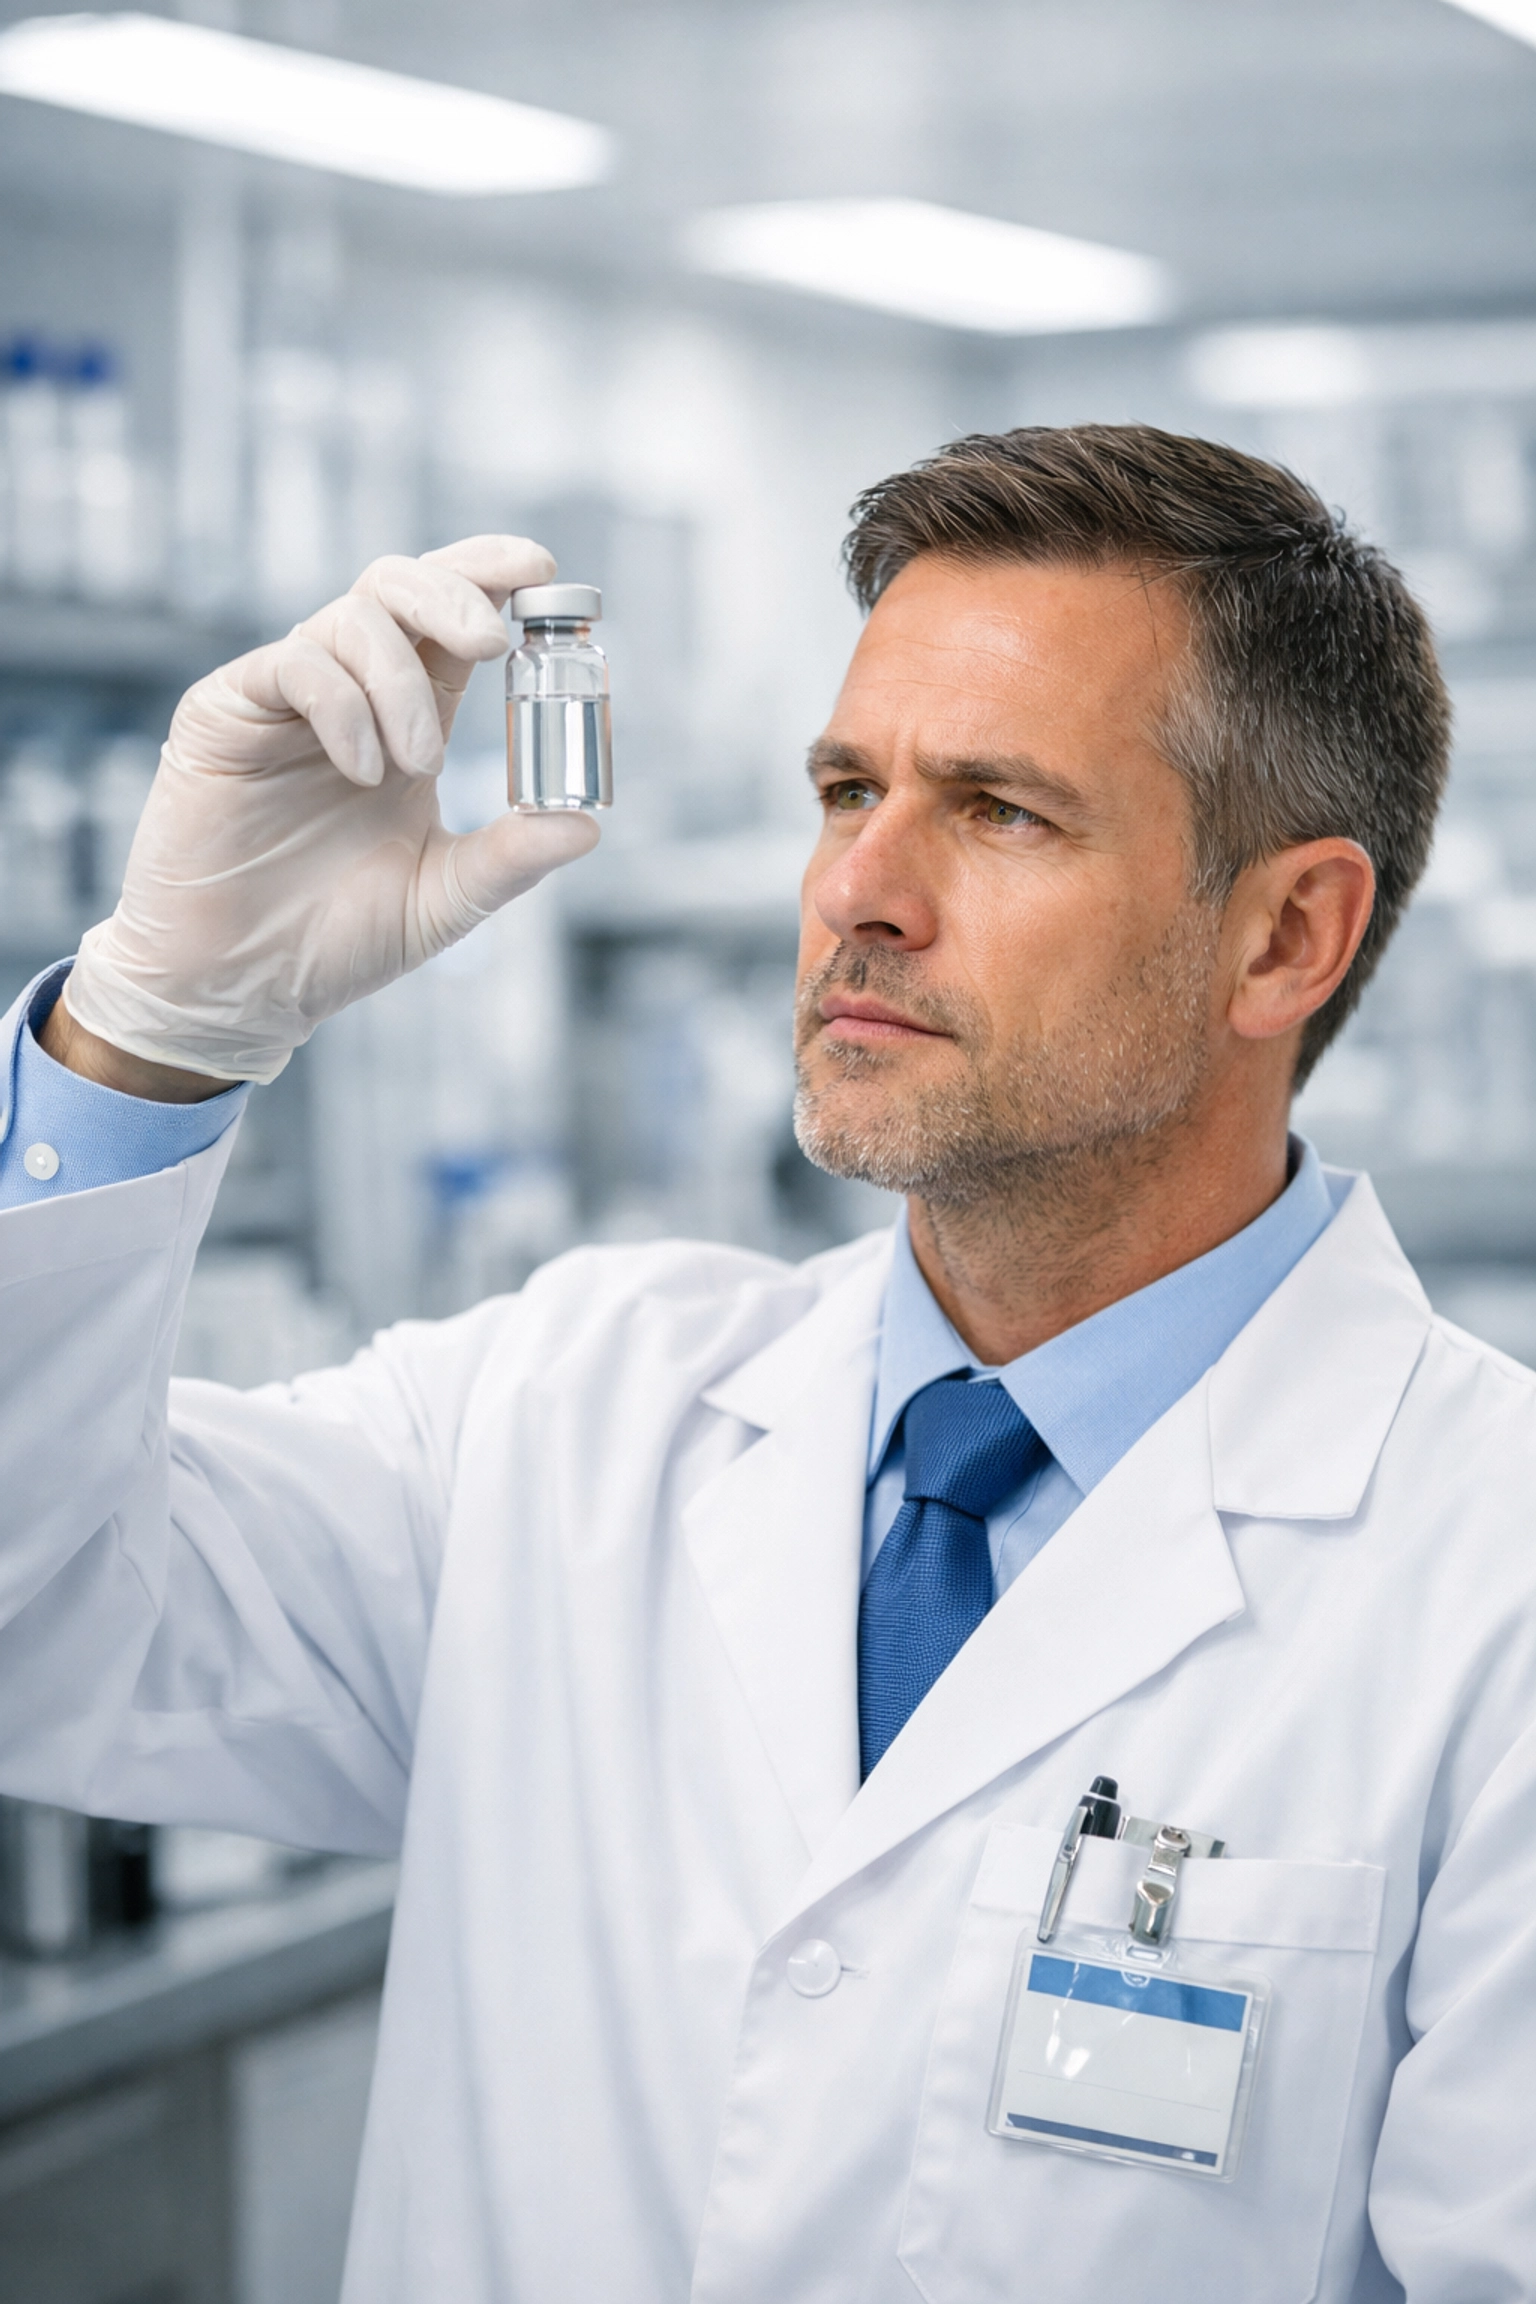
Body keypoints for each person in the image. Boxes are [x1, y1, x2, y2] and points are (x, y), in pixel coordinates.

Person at [0, 425, 1530, 2304]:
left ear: (1287, 933)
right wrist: (152, 1027)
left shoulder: (1491, 1576)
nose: (855, 894)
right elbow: (38, 1612)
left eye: (999, 811)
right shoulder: (559, 1415)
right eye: (844, 788)